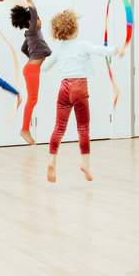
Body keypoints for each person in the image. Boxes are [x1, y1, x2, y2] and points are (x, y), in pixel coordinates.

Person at [42, 10, 118, 183]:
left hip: (63, 88)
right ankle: (85, 163)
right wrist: (114, 50)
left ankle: (51, 160)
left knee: (59, 127)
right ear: (74, 28)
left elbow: (45, 67)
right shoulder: (82, 44)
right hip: (79, 87)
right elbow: (98, 50)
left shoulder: (59, 49)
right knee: (83, 128)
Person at [10, 0, 52, 145]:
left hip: (32, 68)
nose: (40, 21)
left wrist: (34, 58)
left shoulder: (33, 34)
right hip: (32, 69)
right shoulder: (33, 31)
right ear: (31, 22)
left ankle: (25, 129)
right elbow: (33, 12)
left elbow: (23, 49)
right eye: (37, 19)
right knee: (32, 99)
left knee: (33, 99)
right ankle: (25, 129)